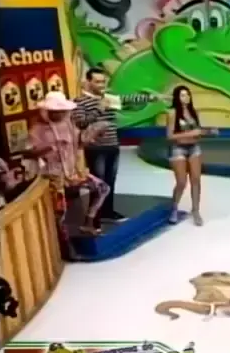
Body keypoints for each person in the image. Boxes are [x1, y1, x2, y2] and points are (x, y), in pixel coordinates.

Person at [72, 67, 161, 226]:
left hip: (112, 145)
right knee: (99, 184)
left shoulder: (109, 98)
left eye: (103, 81)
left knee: (111, 181)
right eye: (97, 82)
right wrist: (99, 108)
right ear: (88, 82)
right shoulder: (80, 102)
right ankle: (94, 217)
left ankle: (108, 212)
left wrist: (150, 98)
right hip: (96, 148)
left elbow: (127, 99)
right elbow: (81, 123)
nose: (101, 85)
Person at [29, 91, 110, 235]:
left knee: (103, 188)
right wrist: (50, 147)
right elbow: (30, 152)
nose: (60, 114)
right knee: (60, 211)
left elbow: (79, 143)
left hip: (74, 172)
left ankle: (89, 222)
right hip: (54, 176)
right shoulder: (37, 129)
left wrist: (94, 132)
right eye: (56, 111)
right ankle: (64, 241)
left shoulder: (69, 124)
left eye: (61, 110)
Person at [166, 85, 218, 226]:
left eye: (188, 94)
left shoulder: (194, 112)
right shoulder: (172, 113)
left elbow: (197, 132)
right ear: (177, 97)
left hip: (194, 148)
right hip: (178, 149)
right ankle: (174, 208)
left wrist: (208, 132)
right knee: (182, 182)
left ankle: (196, 210)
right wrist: (190, 133)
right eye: (183, 95)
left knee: (196, 179)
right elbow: (170, 136)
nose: (186, 97)